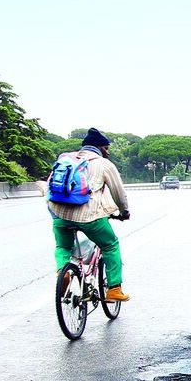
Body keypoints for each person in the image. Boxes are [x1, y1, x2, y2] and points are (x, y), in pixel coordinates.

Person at [48, 127, 131, 301]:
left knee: (63, 247)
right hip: (90, 217)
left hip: (60, 216)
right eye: (106, 148)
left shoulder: (66, 159)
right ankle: (114, 288)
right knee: (110, 245)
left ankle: (63, 272)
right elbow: (119, 193)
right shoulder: (104, 164)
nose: (107, 152)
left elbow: (51, 188)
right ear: (99, 148)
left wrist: (56, 215)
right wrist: (124, 212)